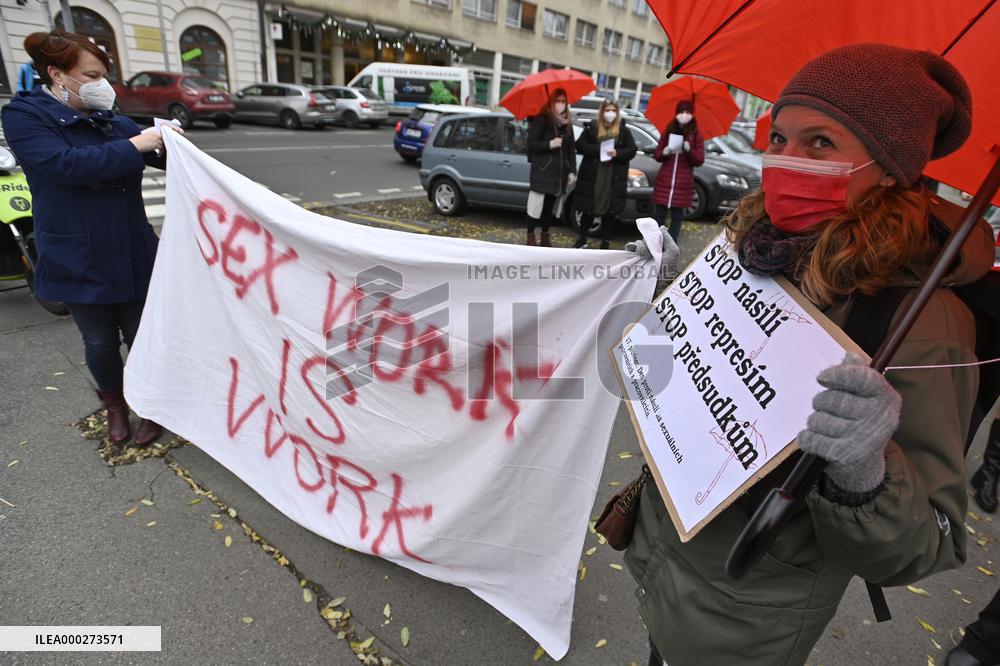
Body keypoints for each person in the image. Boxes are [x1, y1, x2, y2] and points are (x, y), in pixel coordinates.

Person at [624, 43, 994, 665]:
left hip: (744, 620)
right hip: (662, 562)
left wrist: (864, 473)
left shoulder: (925, 321)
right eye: (779, 137)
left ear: (891, 168)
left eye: (821, 143)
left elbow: (929, 544)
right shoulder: (754, 245)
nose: (786, 161)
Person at [1, 31, 181, 447]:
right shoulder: (24, 117)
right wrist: (138, 144)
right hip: (76, 252)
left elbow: (160, 157)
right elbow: (66, 165)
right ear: (57, 74)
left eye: (106, 75)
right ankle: (115, 405)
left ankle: (150, 406)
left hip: (132, 248)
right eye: (93, 75)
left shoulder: (113, 121)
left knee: (143, 336)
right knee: (99, 340)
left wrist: (172, 144)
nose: (104, 85)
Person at [572, 99, 637, 249]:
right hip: (593, 174)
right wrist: (599, 150)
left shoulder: (623, 130)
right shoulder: (592, 127)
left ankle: (605, 241)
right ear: (602, 112)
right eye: (607, 110)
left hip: (612, 176)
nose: (610, 114)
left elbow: (632, 149)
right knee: (589, 207)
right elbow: (580, 146)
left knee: (610, 210)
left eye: (613, 111)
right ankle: (582, 239)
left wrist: (617, 153)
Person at [525, 88, 576, 247]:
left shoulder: (567, 124)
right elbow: (531, 145)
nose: (560, 105)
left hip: (558, 174)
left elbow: (571, 150)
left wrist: (572, 170)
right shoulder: (542, 118)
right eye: (557, 101)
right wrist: (550, 144)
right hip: (542, 172)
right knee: (535, 207)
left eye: (563, 101)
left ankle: (545, 237)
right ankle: (530, 236)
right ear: (551, 102)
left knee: (548, 208)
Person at [651, 99, 704, 242]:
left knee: (677, 218)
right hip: (665, 182)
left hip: (682, 184)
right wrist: (665, 151)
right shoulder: (669, 131)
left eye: (687, 112)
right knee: (659, 217)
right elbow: (657, 155)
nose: (684, 115)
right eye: (682, 112)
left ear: (692, 115)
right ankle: (655, 243)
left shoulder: (695, 135)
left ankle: (671, 245)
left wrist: (689, 150)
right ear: (677, 114)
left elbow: (699, 160)